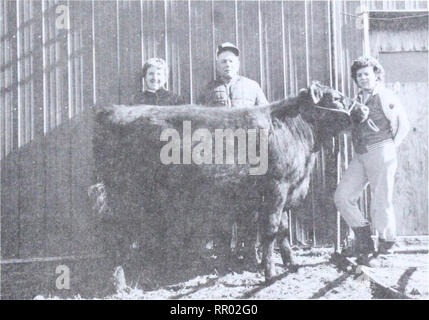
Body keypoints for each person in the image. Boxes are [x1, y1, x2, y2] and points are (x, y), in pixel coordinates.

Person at [334, 56, 410, 265]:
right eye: (359, 75)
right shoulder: (357, 101)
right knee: (342, 197)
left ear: (376, 75)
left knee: (380, 202)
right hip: (360, 155)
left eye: (367, 74)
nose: (363, 78)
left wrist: (389, 148)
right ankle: (365, 242)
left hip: (381, 152)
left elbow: (403, 125)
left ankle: (386, 248)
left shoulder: (385, 96)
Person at [200, 42, 268, 107]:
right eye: (224, 62)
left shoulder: (252, 86)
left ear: (238, 65)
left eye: (231, 61)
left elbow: (266, 113)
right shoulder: (208, 89)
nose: (228, 65)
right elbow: (199, 115)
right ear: (218, 66)